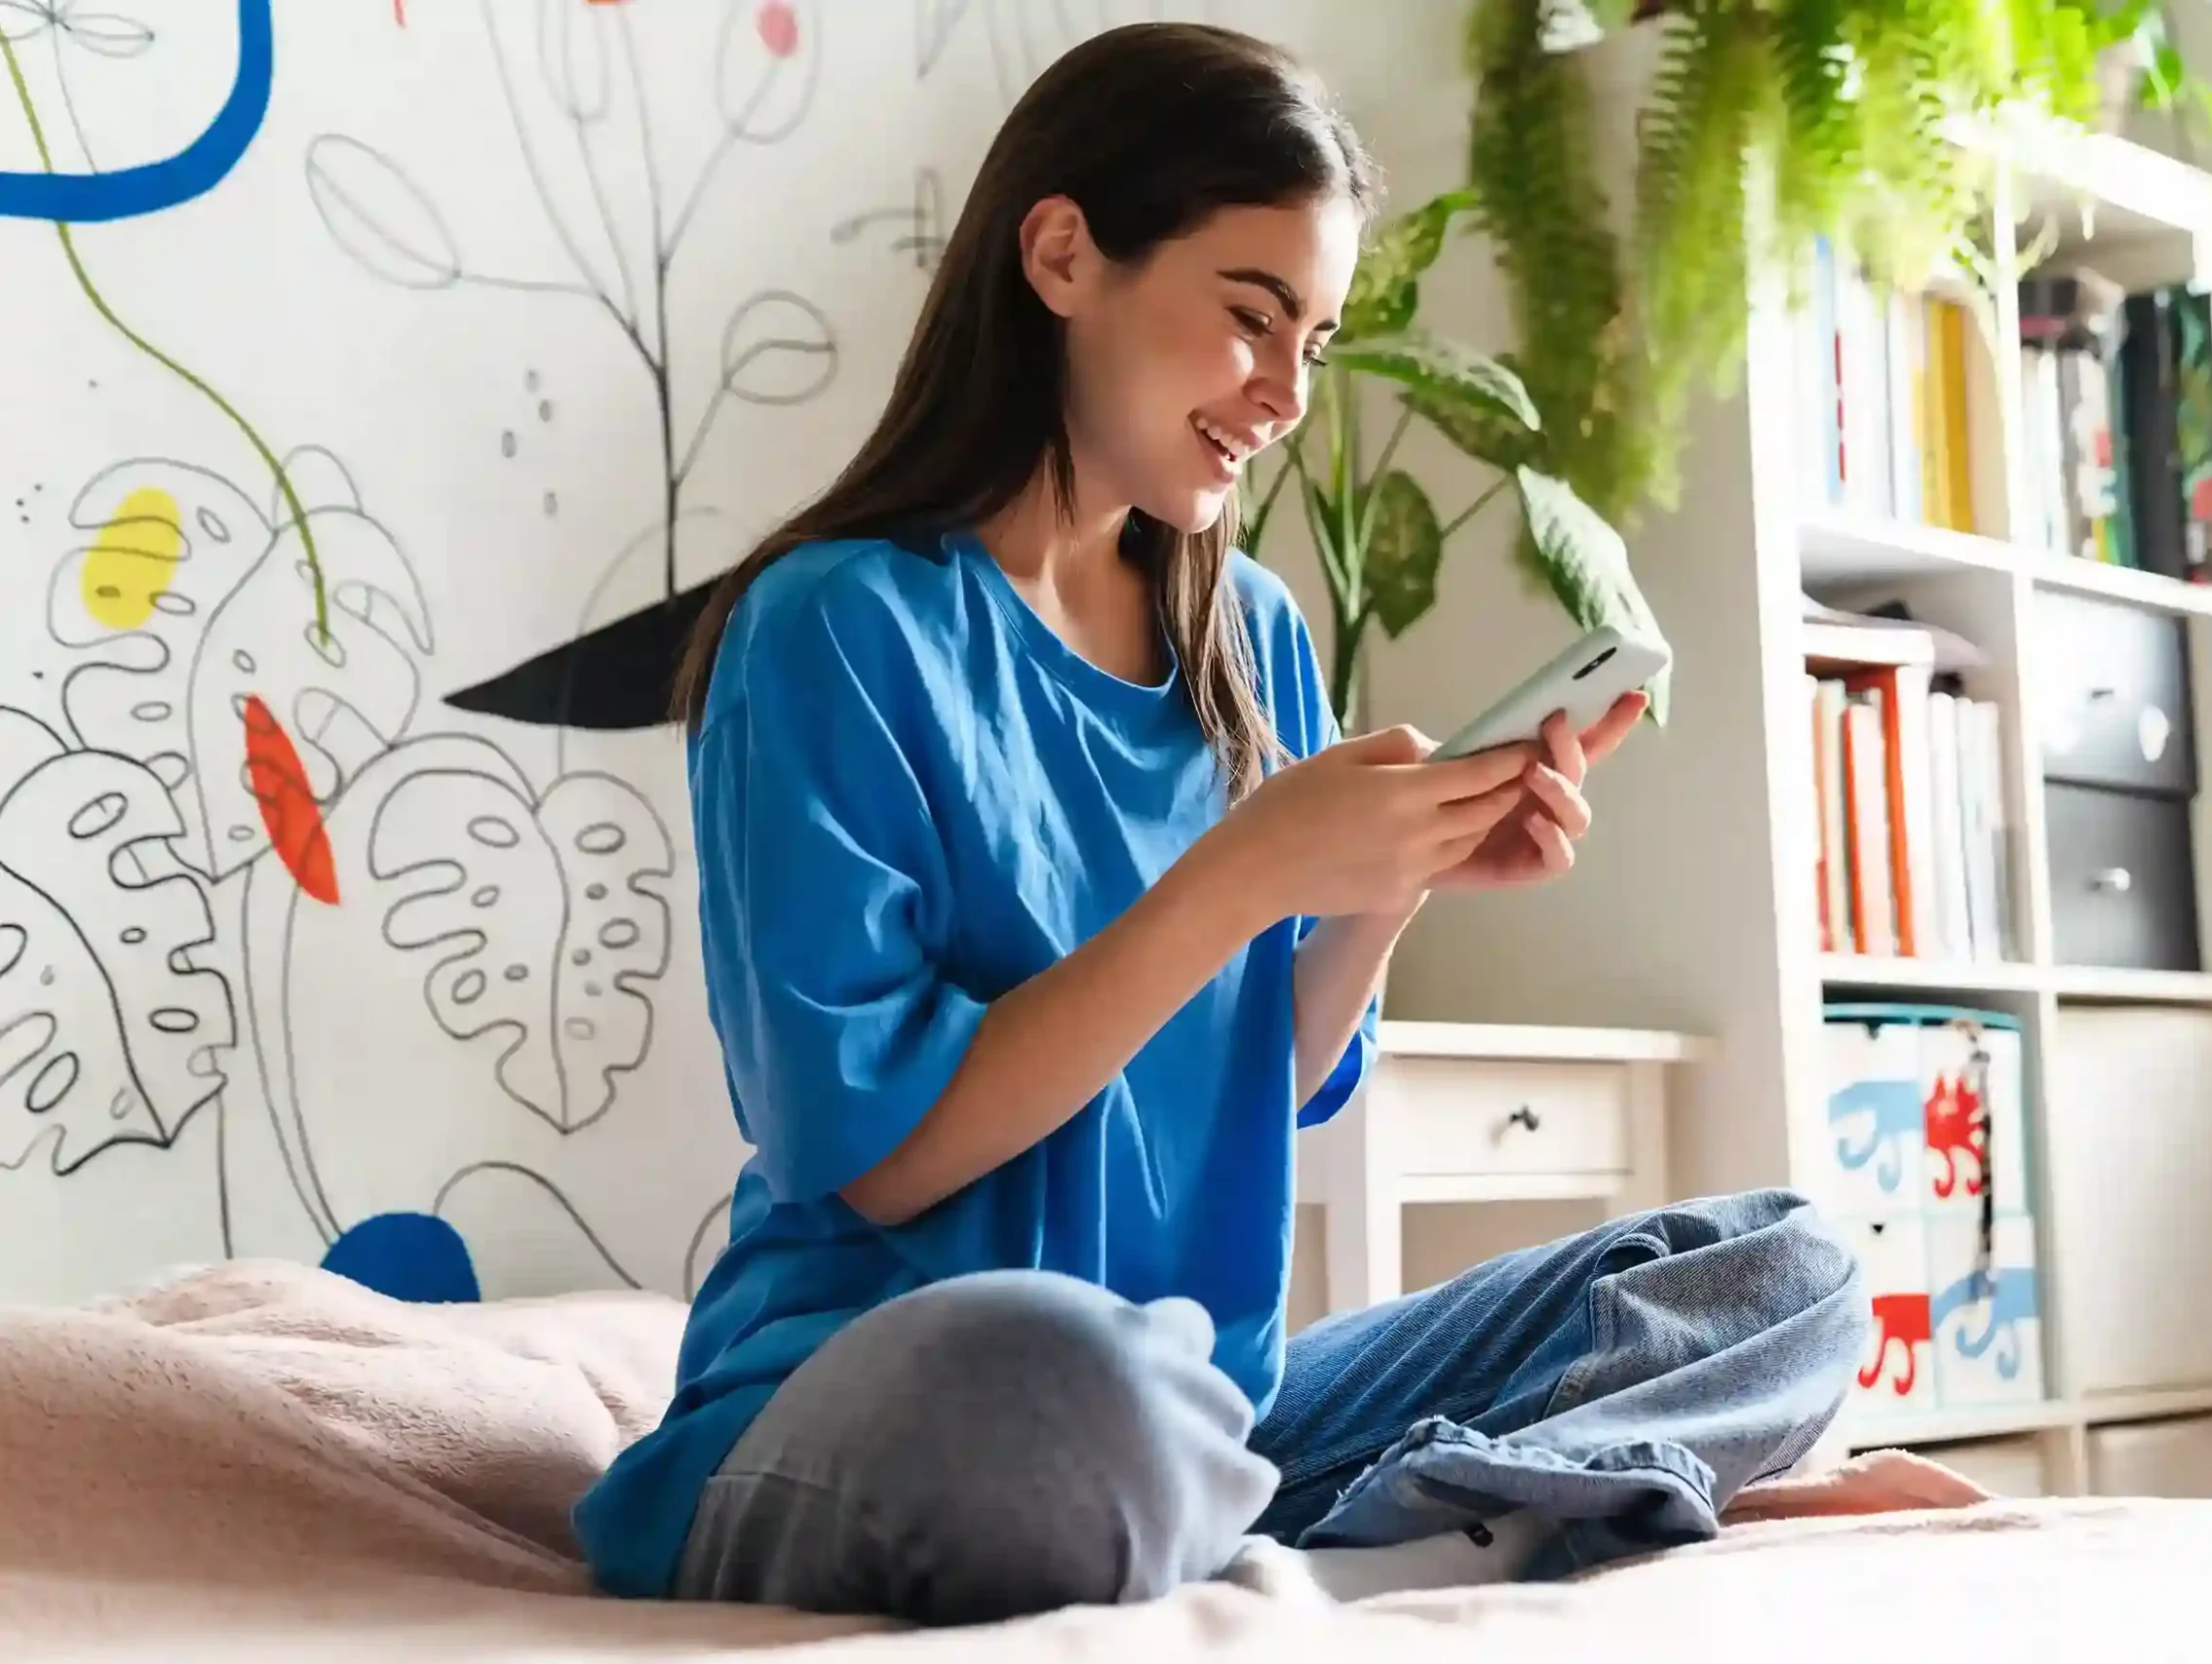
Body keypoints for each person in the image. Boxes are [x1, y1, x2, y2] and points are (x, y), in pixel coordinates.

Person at [571, 19, 1866, 1629]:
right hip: (891, 1391)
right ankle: (1447, 1524)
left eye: (1314, 342)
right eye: (1253, 315)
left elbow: (1291, 1073)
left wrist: (1392, 883)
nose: (1283, 391)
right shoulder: (833, 629)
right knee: (1062, 1372)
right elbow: (880, 1158)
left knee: (1778, 1272)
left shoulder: (1250, 642)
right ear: (1062, 254)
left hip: (1204, 1417)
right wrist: (1240, 877)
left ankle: (1325, 1545)